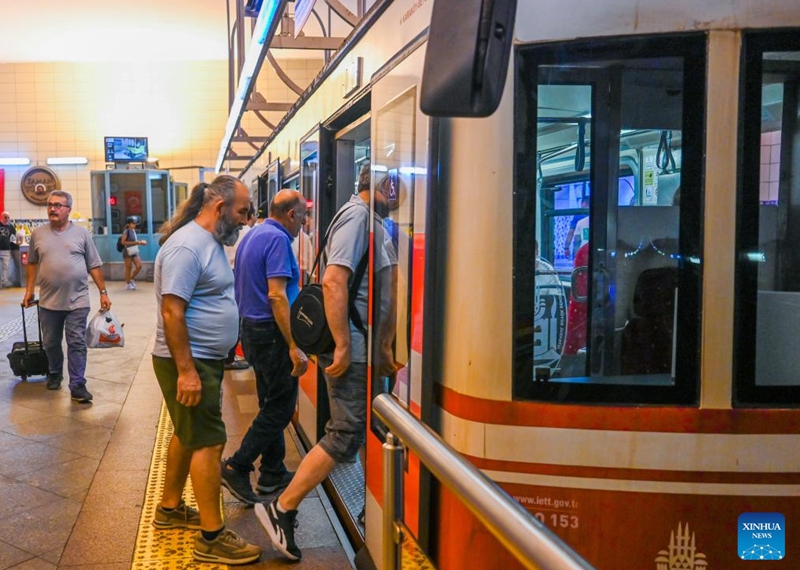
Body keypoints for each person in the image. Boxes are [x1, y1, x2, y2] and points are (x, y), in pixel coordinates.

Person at [255, 165, 395, 561]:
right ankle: (282, 506)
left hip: (365, 345)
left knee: (368, 426)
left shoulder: (373, 220)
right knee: (345, 433)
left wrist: (381, 344)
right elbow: (334, 281)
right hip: (351, 346)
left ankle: (373, 505)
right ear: (387, 184)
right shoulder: (357, 217)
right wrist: (344, 344)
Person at [151, 175, 261, 565]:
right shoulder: (187, 246)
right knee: (209, 442)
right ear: (220, 208)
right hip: (189, 359)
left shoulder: (210, 242)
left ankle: (168, 508)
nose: (247, 220)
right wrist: (187, 372)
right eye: (243, 211)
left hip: (203, 358)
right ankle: (211, 537)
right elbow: (171, 311)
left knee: (188, 432)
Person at [220, 189, 309, 505]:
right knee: (281, 406)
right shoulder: (278, 240)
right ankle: (237, 465)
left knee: (269, 400)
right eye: (302, 216)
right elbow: (276, 295)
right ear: (291, 215)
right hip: (272, 334)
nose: (304, 223)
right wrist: (293, 345)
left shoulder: (253, 235)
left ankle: (272, 471)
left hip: (253, 331)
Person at [22, 191, 111, 402]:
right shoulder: (38, 234)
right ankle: (54, 372)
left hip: (77, 300)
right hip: (48, 302)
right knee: (51, 342)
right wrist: (29, 290)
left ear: (68, 210)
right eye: (50, 205)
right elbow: (32, 263)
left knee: (76, 342)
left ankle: (78, 384)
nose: (53, 209)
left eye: (58, 205)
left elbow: (94, 265)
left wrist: (103, 292)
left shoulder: (81, 234)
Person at [223, 201, 255, 371]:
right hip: (239, 275)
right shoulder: (249, 233)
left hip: (225, 274)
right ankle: (229, 358)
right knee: (238, 318)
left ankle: (227, 356)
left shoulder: (223, 232)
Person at [121, 216, 146, 290]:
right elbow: (123, 242)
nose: (134, 225)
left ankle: (131, 279)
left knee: (139, 266)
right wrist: (137, 242)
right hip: (127, 251)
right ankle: (128, 283)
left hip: (134, 250)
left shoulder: (133, 231)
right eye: (133, 223)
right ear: (128, 224)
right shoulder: (126, 231)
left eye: (135, 223)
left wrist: (139, 242)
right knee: (128, 268)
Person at [0, 211, 16, 288]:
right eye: (5, 217)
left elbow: (16, 235)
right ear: (1, 217)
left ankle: (4, 281)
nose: (7, 219)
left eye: (8, 217)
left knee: (6, 267)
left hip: (6, 249)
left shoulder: (10, 227)